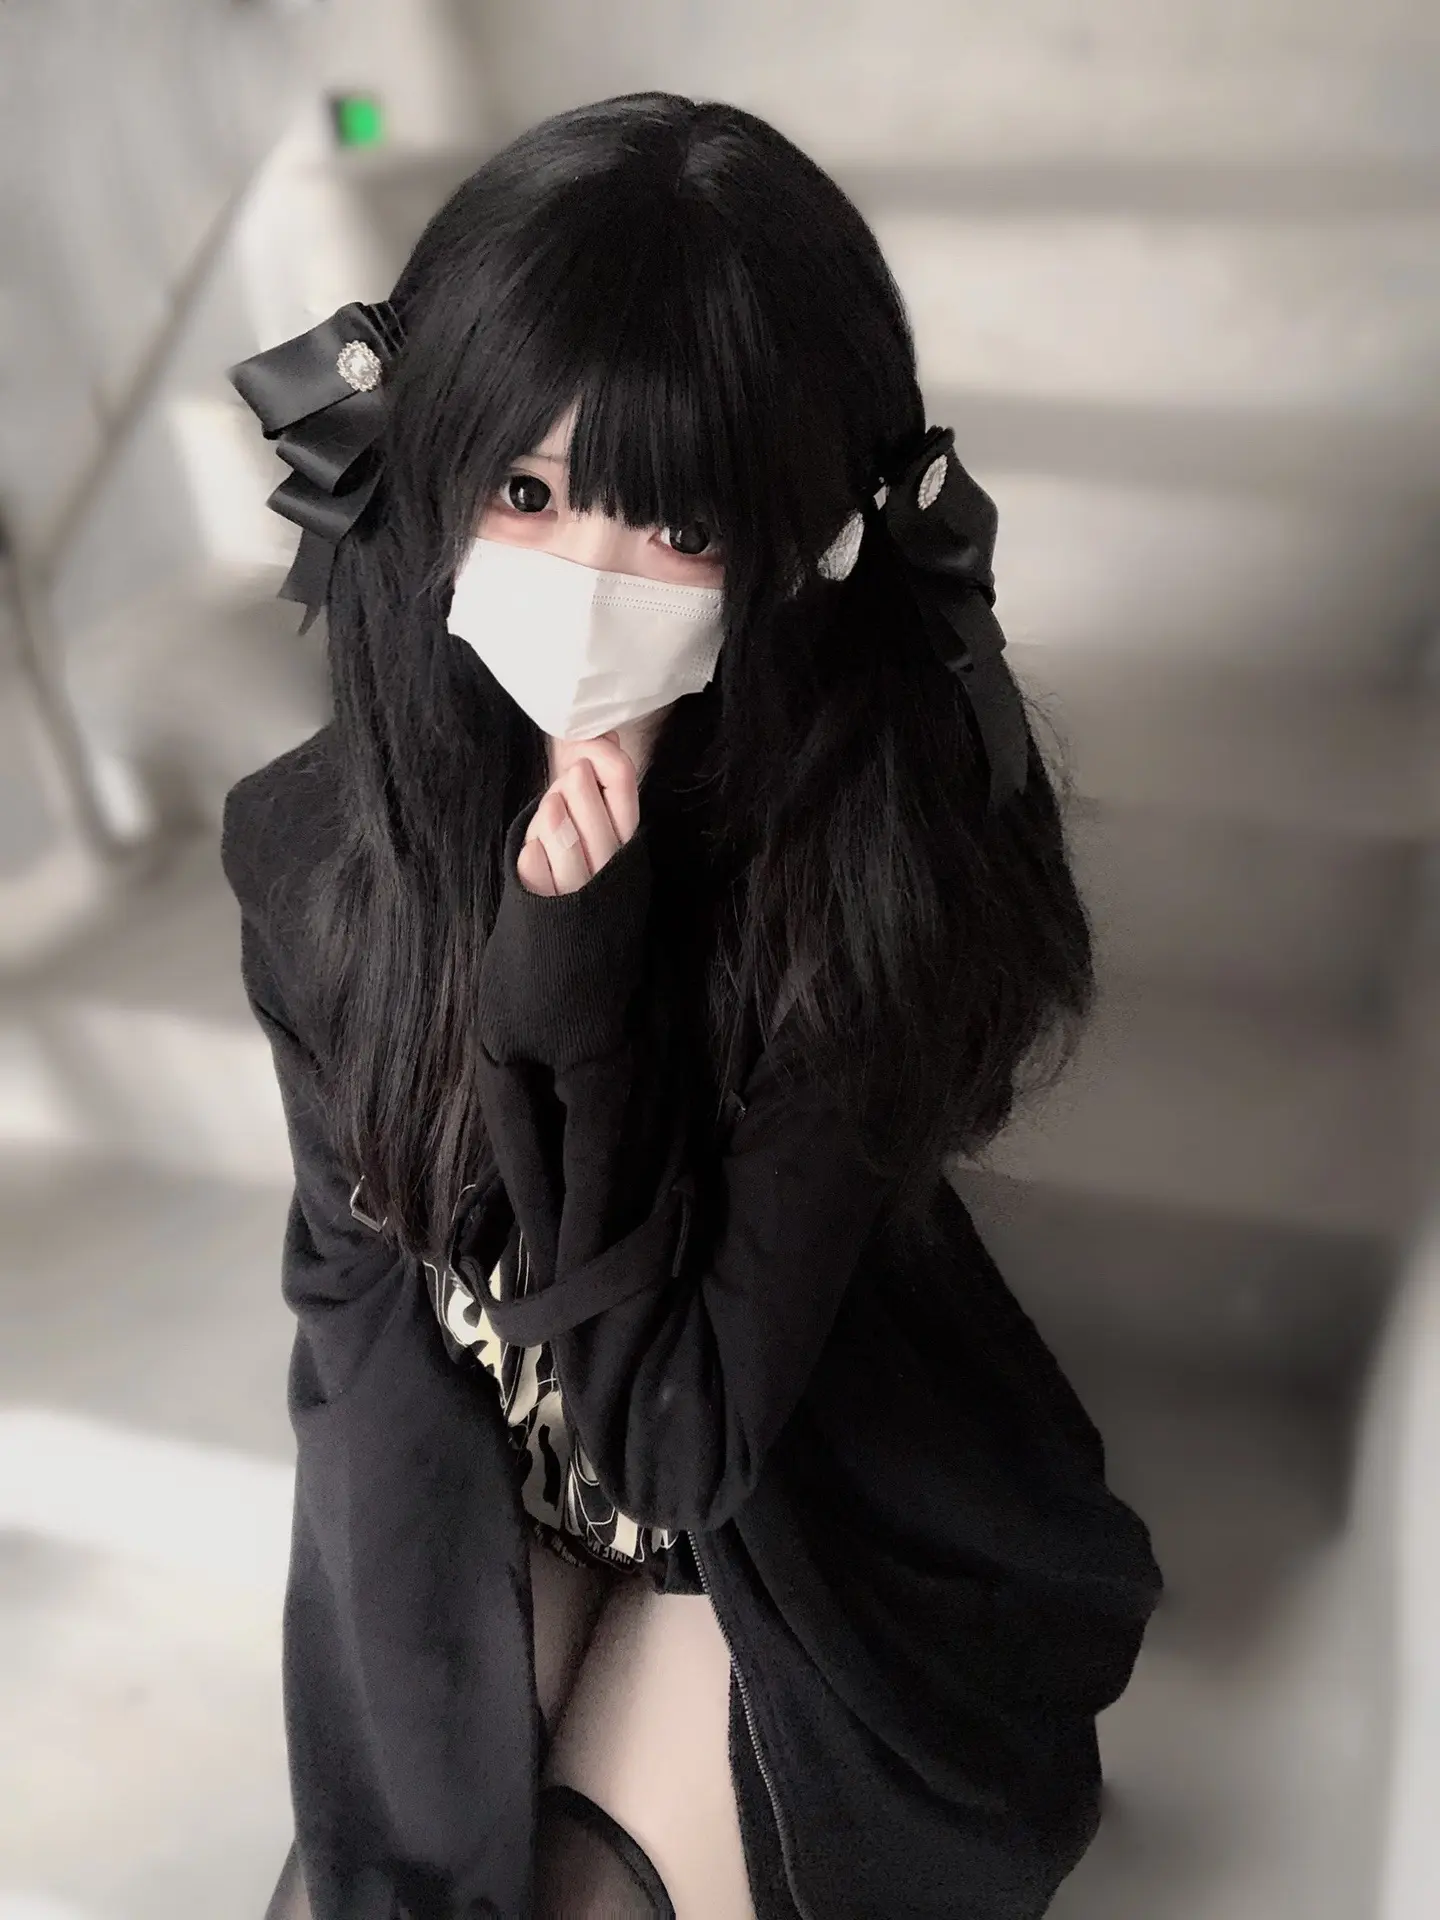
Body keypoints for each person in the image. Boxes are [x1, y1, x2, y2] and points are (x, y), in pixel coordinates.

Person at [224, 90, 1164, 1920]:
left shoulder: (862, 890)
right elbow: (357, 1299)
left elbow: (678, 1445)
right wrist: (400, 1798)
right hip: (506, 1447)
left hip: (792, 1494)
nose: (586, 580)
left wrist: (571, 986)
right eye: (525, 492)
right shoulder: (316, 851)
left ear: (795, 539)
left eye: (674, 523)